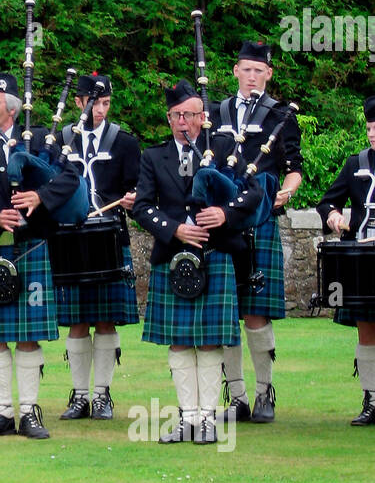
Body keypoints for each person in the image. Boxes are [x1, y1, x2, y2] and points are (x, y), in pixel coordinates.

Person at [0, 72, 81, 440]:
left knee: (27, 335)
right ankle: (2, 412)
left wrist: (41, 197)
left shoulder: (41, 140)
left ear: (10, 109)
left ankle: (29, 413)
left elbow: (71, 177)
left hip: (31, 246)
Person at [133, 81, 262, 444]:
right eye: (176, 115)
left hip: (216, 253)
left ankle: (207, 419)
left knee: (207, 341)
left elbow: (253, 193)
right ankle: (187, 418)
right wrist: (175, 230)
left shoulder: (224, 150)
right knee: (178, 341)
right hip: (174, 257)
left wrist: (224, 212)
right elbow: (142, 207)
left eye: (190, 115)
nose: (183, 122)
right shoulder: (153, 157)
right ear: (169, 118)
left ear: (203, 117)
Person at [211, 40, 302, 422]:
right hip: (222, 221)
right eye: (245, 69)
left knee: (256, 314)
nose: (252, 76)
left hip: (260, 216)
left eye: (259, 71)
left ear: (269, 74)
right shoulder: (217, 112)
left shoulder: (280, 115)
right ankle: (237, 397)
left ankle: (265, 394)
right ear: (235, 71)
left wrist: (288, 189)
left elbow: (295, 165)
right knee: (226, 311)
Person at [55, 73, 140, 422]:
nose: (100, 110)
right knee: (76, 321)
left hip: (109, 236)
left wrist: (135, 198)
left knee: (106, 320)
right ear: (78, 102)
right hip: (71, 239)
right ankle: (79, 395)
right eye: (94, 103)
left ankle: (102, 395)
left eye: (105, 103)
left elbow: (137, 187)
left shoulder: (124, 142)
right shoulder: (62, 139)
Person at [317, 96, 375, 425]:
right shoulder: (356, 164)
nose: (372, 134)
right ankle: (372, 399)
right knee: (367, 331)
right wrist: (335, 217)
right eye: (369, 127)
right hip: (363, 258)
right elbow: (327, 202)